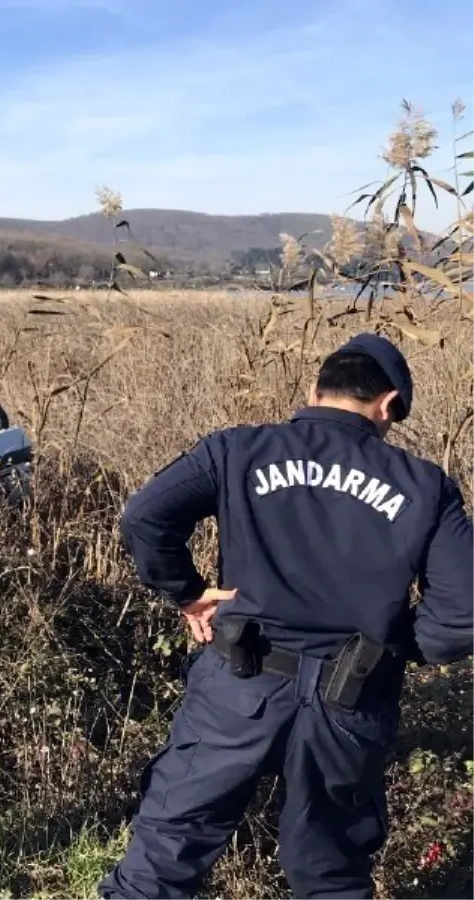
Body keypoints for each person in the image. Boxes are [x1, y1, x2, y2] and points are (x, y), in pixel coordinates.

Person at [98, 333, 474, 900]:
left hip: (237, 686)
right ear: (389, 404)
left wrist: (189, 593)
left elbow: (146, 516)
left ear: (315, 390)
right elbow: (464, 612)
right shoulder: (425, 487)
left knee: (164, 857)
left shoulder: (238, 450)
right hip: (349, 702)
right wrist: (395, 644)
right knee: (331, 879)